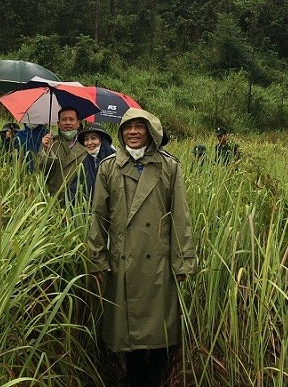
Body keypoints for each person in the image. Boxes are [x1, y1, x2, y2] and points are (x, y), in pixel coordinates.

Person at [87, 108, 198, 387]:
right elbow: (98, 216)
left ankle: (154, 377)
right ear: (121, 132)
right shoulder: (109, 167)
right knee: (127, 332)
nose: (133, 132)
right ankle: (132, 377)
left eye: (139, 126)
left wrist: (183, 261)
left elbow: (180, 215)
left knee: (159, 329)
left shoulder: (169, 166)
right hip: (124, 259)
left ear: (151, 132)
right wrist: (97, 258)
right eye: (128, 127)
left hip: (158, 260)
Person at [37, 106, 88, 205]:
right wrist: (45, 150)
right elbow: (41, 171)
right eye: (64, 120)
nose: (67, 122)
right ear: (58, 124)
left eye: (71, 119)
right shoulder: (51, 143)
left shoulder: (86, 144)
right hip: (53, 199)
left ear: (78, 123)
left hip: (78, 201)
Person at [74, 122, 116, 202]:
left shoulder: (115, 161)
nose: (89, 143)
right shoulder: (81, 161)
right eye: (86, 139)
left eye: (93, 138)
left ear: (101, 140)